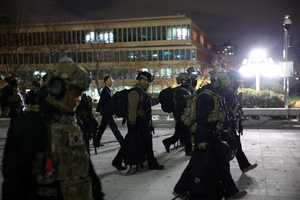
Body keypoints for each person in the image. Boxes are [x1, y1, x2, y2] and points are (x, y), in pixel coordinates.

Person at [2, 57, 104, 200]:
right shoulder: (29, 125)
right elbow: (13, 182)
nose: (78, 99)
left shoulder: (75, 123)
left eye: (80, 94)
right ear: (57, 89)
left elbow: (86, 169)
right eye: (74, 93)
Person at [173, 72, 247, 199]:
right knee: (196, 163)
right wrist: (201, 140)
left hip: (212, 135)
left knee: (222, 163)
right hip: (205, 136)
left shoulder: (213, 95)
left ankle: (231, 192)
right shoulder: (206, 97)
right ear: (217, 82)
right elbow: (201, 119)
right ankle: (179, 189)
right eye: (223, 85)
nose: (224, 88)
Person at [112, 71, 164, 171]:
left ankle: (151, 162)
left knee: (147, 142)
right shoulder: (135, 92)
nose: (148, 84)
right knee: (129, 142)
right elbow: (132, 109)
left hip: (143, 121)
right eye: (147, 82)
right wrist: (132, 124)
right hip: (136, 121)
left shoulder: (143, 93)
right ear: (141, 80)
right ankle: (117, 161)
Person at [225, 69, 258, 173]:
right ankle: (241, 166)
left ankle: (244, 166)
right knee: (229, 147)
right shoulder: (226, 93)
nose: (239, 82)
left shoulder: (232, 92)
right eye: (237, 80)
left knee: (236, 143)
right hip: (226, 125)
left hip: (232, 124)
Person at [162, 72, 195, 156]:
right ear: (183, 81)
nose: (189, 81)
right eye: (187, 79)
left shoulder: (186, 89)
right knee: (187, 132)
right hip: (182, 114)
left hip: (182, 114)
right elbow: (182, 104)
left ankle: (167, 142)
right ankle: (188, 150)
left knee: (180, 133)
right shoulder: (180, 91)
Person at [94, 75, 124, 146]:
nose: (112, 81)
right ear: (106, 82)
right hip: (107, 113)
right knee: (114, 128)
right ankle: (122, 142)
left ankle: (96, 142)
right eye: (110, 80)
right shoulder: (105, 91)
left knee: (102, 128)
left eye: (112, 79)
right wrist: (97, 112)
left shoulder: (109, 90)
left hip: (106, 113)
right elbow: (101, 102)